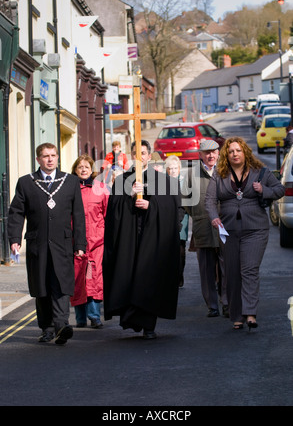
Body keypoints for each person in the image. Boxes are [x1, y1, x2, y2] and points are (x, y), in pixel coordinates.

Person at [8, 143, 87, 344]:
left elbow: (78, 215)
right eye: (45, 156)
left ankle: (62, 325)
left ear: (58, 157)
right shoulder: (26, 182)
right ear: (38, 160)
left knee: (61, 284)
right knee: (41, 286)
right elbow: (16, 213)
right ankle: (47, 328)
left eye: (53, 155)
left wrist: (80, 243)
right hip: (38, 243)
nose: (50, 159)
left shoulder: (70, 182)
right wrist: (15, 240)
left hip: (63, 243)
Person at [103, 140, 181, 339]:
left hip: (152, 239)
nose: (140, 156)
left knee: (149, 279)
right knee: (129, 277)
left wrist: (151, 206)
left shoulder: (163, 180)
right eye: (136, 153)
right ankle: (133, 318)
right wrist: (128, 196)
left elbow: (171, 209)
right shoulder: (122, 181)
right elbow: (112, 212)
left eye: (144, 153)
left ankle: (149, 325)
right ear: (131, 155)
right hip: (129, 239)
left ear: (149, 155)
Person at [205, 137, 285, 330]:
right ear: (227, 155)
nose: (235, 154)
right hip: (228, 230)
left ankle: (250, 313)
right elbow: (209, 200)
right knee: (231, 272)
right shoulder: (219, 174)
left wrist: (263, 190)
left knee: (249, 269)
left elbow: (280, 189)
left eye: (238, 150)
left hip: (255, 229)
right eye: (231, 151)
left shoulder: (261, 172)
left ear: (245, 152)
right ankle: (237, 315)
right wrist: (214, 217)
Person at [182, 140, 228, 317]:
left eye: (213, 152)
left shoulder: (225, 172)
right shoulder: (192, 174)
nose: (210, 155)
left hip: (225, 228)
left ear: (218, 153)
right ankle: (212, 306)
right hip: (203, 228)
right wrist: (199, 215)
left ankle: (226, 302)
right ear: (200, 154)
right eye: (206, 152)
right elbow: (185, 201)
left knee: (226, 268)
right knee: (207, 270)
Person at [71, 154, 109, 329]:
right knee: (78, 279)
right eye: (80, 167)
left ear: (92, 169)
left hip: (96, 243)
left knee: (94, 279)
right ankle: (80, 318)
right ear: (75, 170)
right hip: (75, 242)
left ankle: (94, 316)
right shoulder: (70, 189)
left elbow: (108, 215)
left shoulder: (101, 188)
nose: (83, 169)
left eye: (86, 166)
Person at [165, 155, 189, 287]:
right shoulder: (163, 183)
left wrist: (180, 219)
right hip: (168, 219)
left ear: (179, 168)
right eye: (170, 168)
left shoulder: (184, 182)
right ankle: (171, 276)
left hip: (182, 218)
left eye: (175, 168)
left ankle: (179, 275)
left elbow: (186, 203)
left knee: (180, 248)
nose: (173, 171)